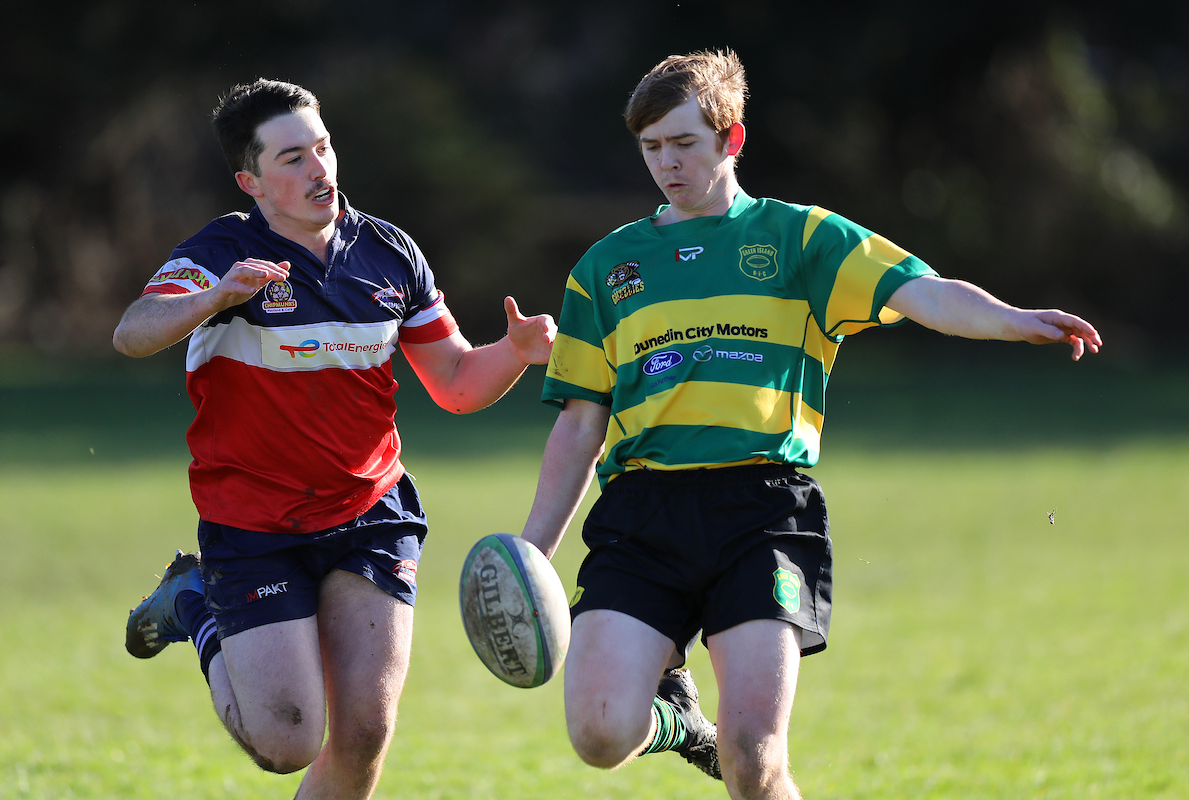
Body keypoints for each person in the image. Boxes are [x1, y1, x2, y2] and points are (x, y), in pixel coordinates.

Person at [519, 50, 1101, 799]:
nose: (666, 163)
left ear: (732, 140)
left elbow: (922, 291)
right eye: (652, 148)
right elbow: (578, 426)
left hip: (763, 513)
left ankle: (718, 735)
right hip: (641, 515)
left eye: (684, 143)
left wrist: (1014, 321)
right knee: (600, 735)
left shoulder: (802, 239)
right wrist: (532, 554)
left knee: (754, 759)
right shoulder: (605, 268)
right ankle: (678, 719)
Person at [114, 79, 555, 800]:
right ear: (250, 180)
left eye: (322, 147)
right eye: (292, 158)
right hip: (254, 525)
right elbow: (132, 333)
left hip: (370, 515)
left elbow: (454, 382)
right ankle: (192, 600)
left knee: (363, 737)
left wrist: (513, 351)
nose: (319, 168)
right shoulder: (223, 249)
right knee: (286, 744)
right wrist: (215, 298)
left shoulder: (389, 254)